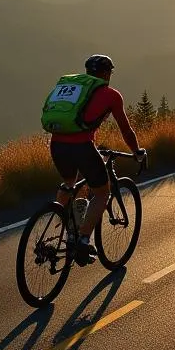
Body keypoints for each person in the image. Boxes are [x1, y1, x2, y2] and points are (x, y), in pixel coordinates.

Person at [48, 54, 147, 265]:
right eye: (109, 72)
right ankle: (82, 241)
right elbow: (126, 130)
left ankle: (59, 217)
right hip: (82, 147)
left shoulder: (74, 88)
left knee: (69, 183)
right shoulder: (111, 95)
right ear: (106, 74)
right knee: (102, 192)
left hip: (56, 144)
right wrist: (137, 151)